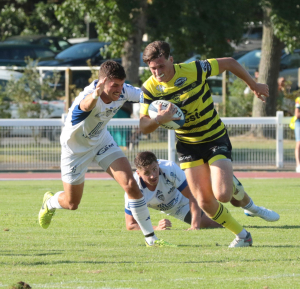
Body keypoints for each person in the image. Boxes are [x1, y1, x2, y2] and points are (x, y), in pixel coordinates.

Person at [139, 41, 269, 247]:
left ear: (171, 60)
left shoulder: (195, 69)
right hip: (188, 145)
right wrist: (158, 120)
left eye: (161, 66)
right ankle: (243, 236)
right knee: (205, 203)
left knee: (223, 195)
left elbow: (230, 62)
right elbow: (144, 125)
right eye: (153, 68)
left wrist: (254, 85)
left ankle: (231, 182)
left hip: (213, 137)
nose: (158, 72)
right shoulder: (149, 89)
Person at [38, 60, 174, 248]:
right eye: (114, 85)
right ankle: (50, 202)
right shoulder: (87, 97)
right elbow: (86, 105)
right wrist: (95, 94)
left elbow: (146, 95)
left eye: (121, 84)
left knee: (131, 185)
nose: (119, 89)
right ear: (102, 82)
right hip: (75, 150)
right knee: (72, 203)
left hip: (101, 141)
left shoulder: (123, 90)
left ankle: (151, 240)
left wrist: (163, 104)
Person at [125, 152, 279, 231]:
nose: (153, 175)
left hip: (193, 191)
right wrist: (156, 228)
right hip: (176, 209)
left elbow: (192, 195)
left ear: (158, 164)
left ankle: (253, 209)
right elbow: (130, 224)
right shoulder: (133, 187)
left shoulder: (169, 168)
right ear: (138, 173)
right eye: (147, 173)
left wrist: (194, 226)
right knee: (217, 224)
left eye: (154, 169)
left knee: (228, 195)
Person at [294, 96, 300, 172]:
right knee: (299, 143)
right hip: (299, 123)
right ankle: (298, 165)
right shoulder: (299, 99)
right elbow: (297, 115)